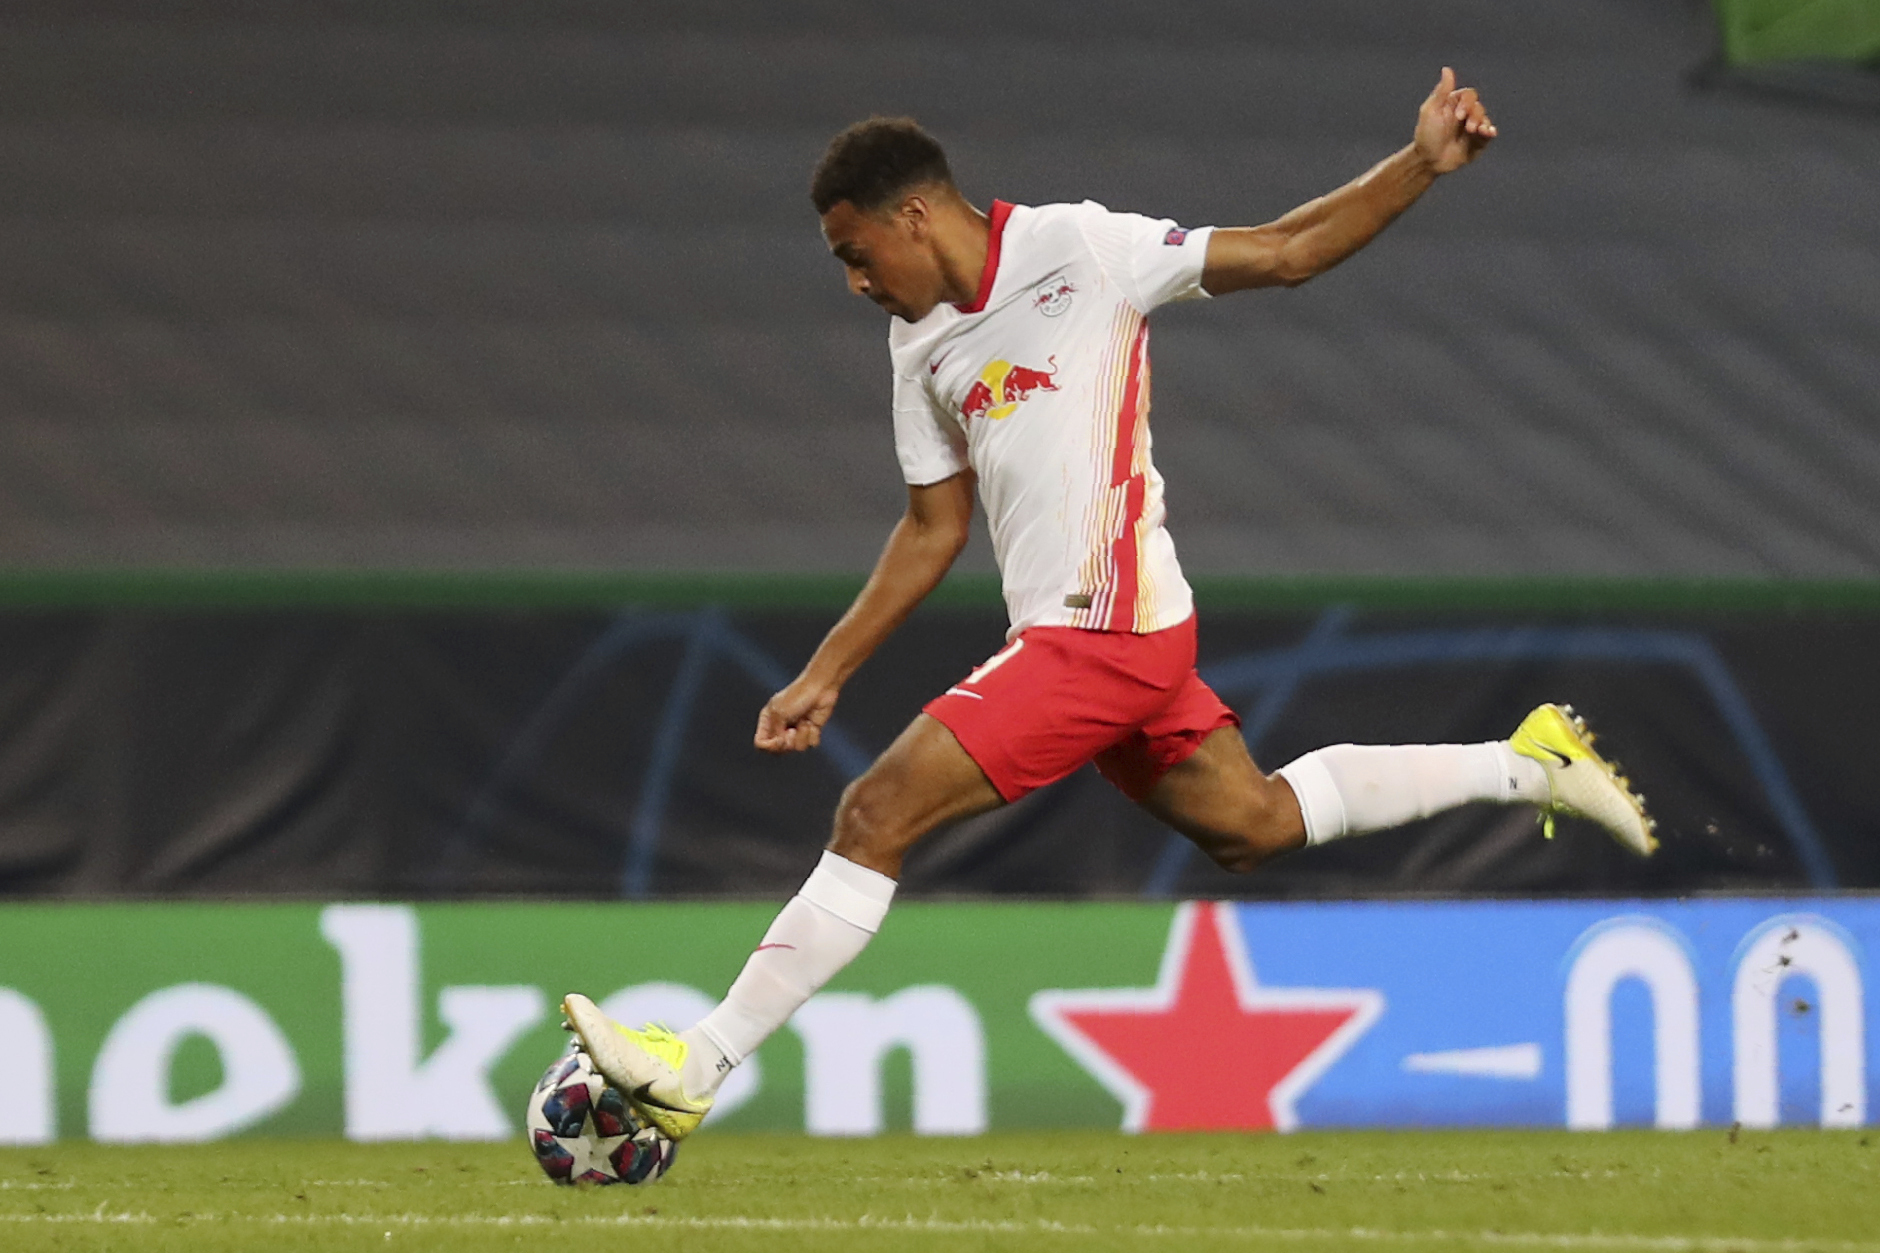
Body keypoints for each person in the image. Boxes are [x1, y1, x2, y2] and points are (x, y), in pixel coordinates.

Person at [565, 68, 1654, 1140]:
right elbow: (932, 527)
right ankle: (1526, 763)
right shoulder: (916, 345)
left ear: (912, 213)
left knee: (872, 814)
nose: (854, 282)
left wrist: (1420, 162)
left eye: (856, 256)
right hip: (1104, 636)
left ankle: (694, 1064)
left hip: (1102, 623)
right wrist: (823, 671)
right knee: (1251, 822)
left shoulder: (1077, 247)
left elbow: (1279, 250)